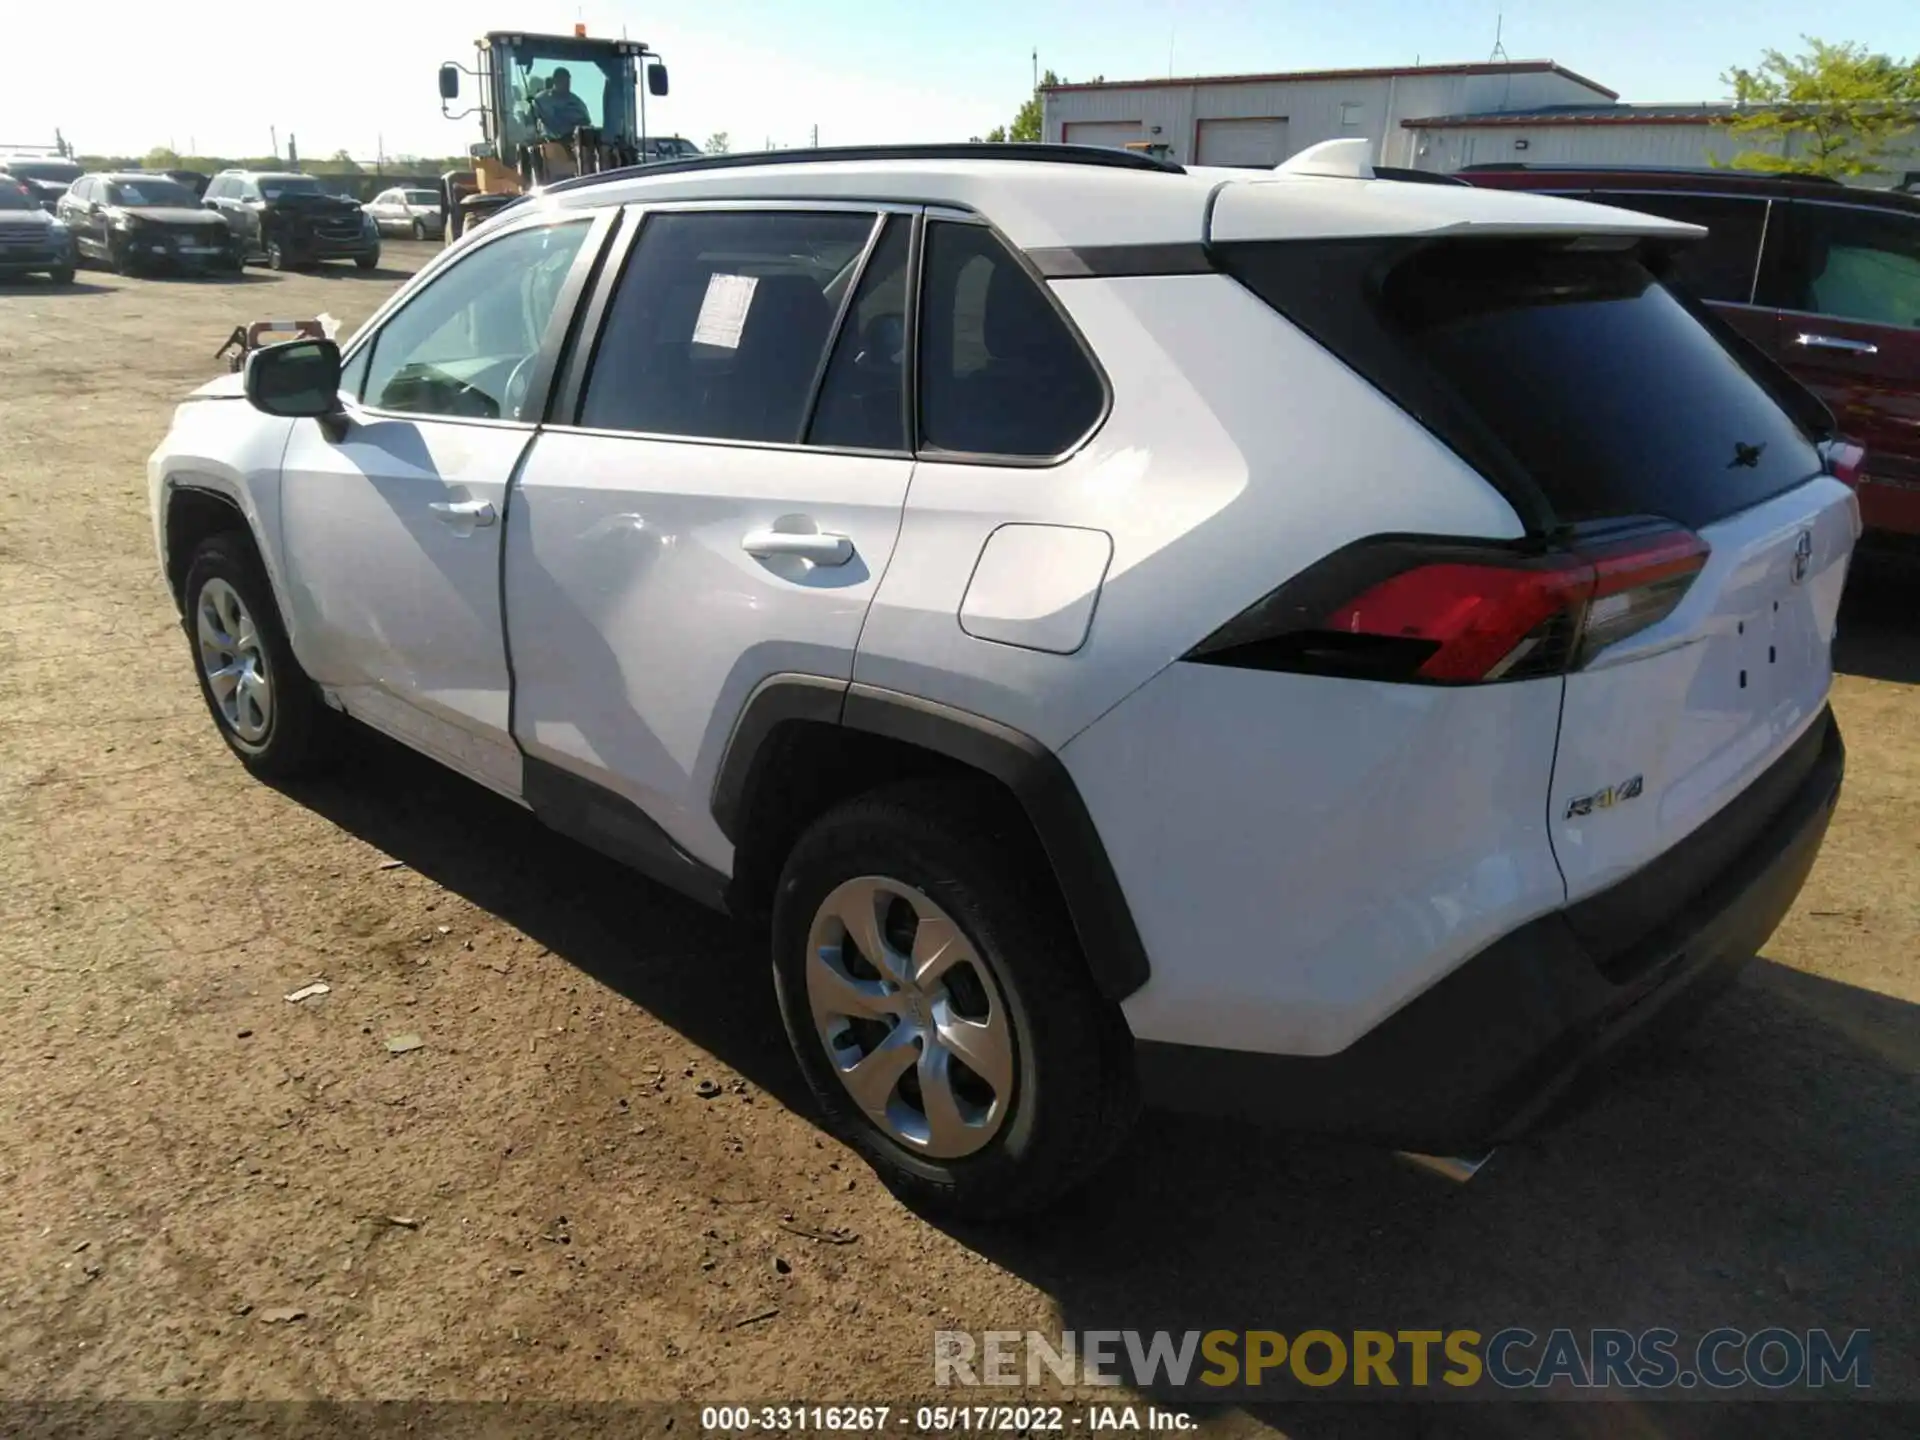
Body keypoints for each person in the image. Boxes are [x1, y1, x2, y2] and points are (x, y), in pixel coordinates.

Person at [532, 68, 593, 138]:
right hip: (548, 142)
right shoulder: (541, 100)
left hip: (573, 141)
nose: (566, 85)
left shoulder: (577, 102)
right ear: (555, 81)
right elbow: (532, 121)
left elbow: (586, 123)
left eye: (568, 82)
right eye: (562, 81)